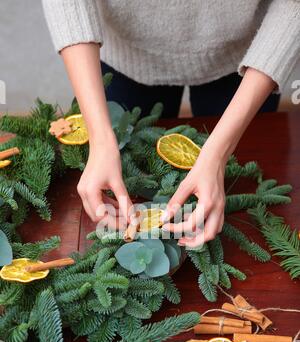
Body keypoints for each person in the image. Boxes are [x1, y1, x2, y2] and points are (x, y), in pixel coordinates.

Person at [42, 0, 300, 248]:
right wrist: (100, 140)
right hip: (123, 52)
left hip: (248, 57)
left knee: (240, 186)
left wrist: (218, 154)